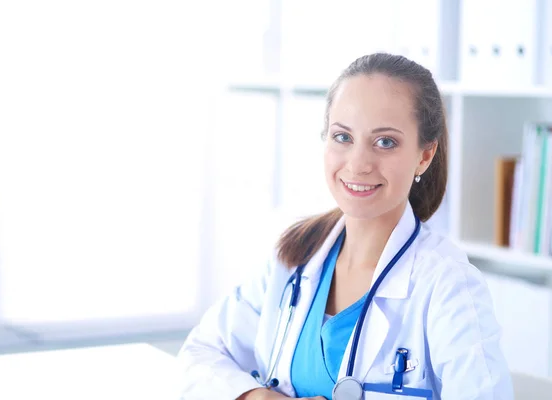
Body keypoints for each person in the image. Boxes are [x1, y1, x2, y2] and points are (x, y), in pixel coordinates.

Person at [176, 53, 514, 400]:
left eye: (385, 142)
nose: (358, 164)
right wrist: (258, 397)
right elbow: (199, 355)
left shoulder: (448, 284)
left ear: (424, 155)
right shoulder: (295, 257)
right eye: (343, 137)